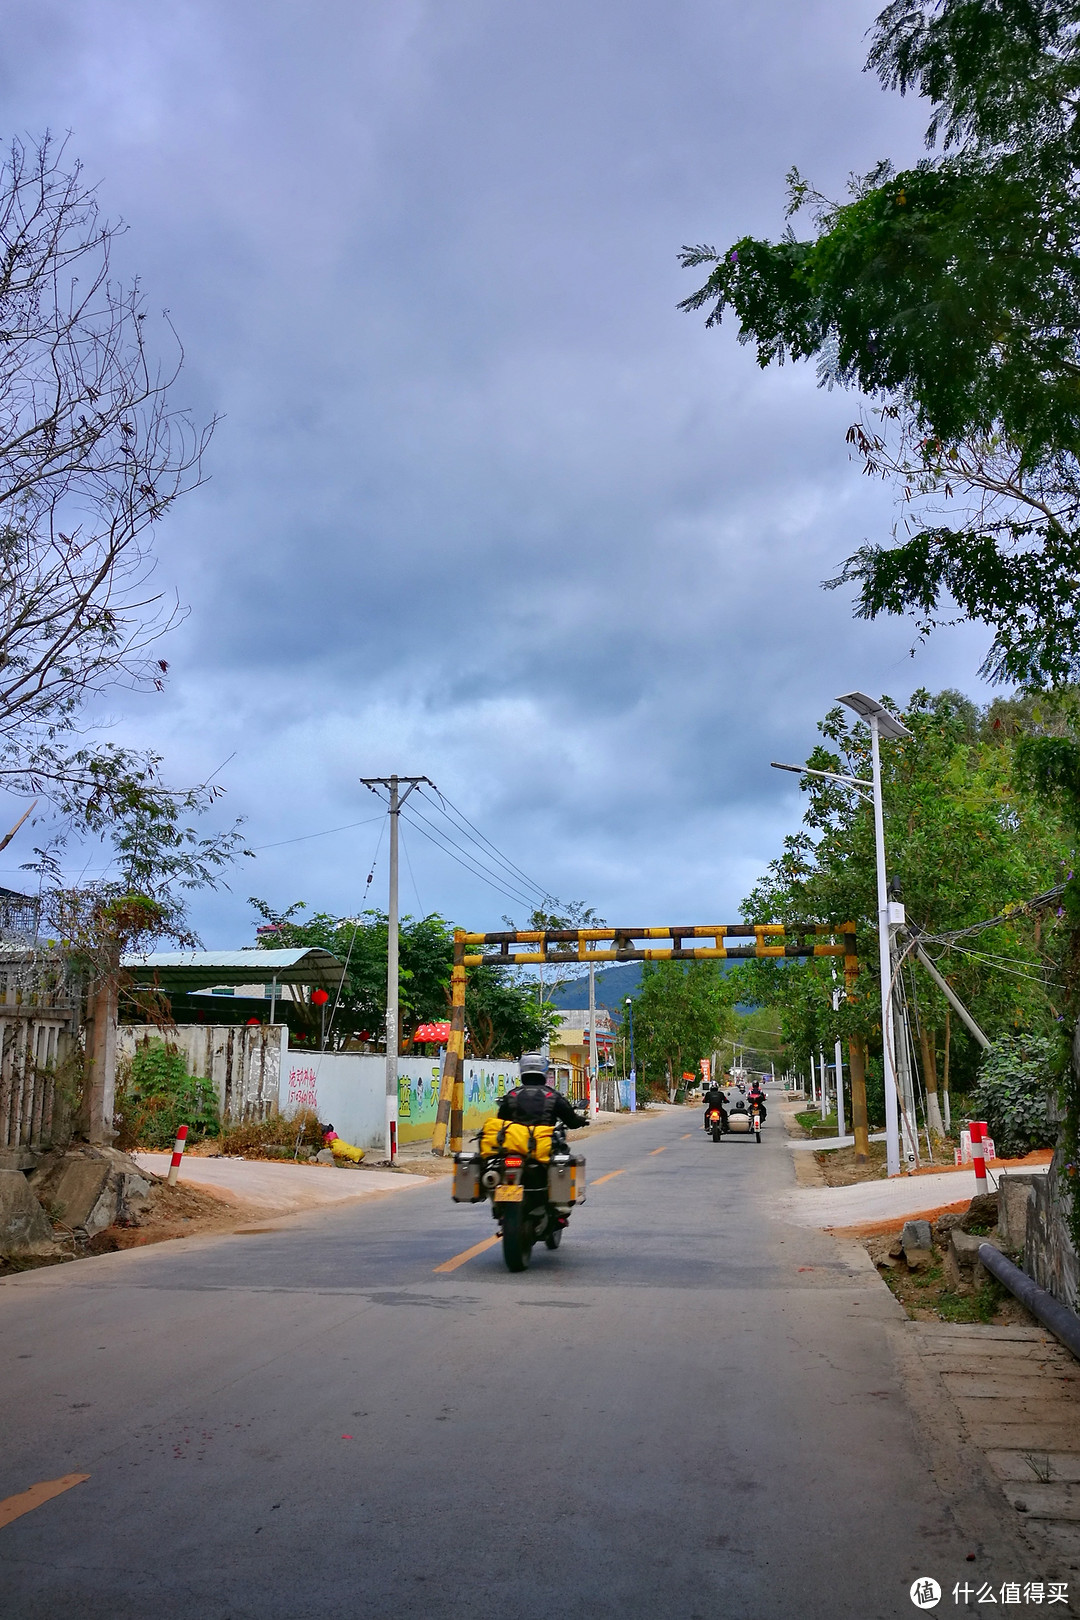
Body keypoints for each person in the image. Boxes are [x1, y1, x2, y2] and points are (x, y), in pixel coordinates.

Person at [498, 1052, 589, 1130]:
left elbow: (501, 1122)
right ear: (544, 1070)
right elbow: (571, 1122)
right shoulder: (553, 1097)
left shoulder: (512, 1096)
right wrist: (582, 1121)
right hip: (545, 1147)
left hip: (516, 1147)